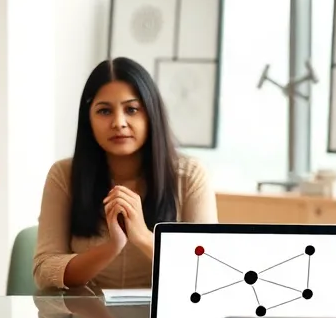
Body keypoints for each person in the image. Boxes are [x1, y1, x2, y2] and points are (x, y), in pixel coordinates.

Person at [34, 57, 216, 290]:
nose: (119, 123)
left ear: (151, 114)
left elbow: (207, 270)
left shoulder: (189, 175)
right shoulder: (64, 175)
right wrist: (112, 247)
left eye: (131, 109)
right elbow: (45, 270)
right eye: (104, 111)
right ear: (88, 118)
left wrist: (142, 236)